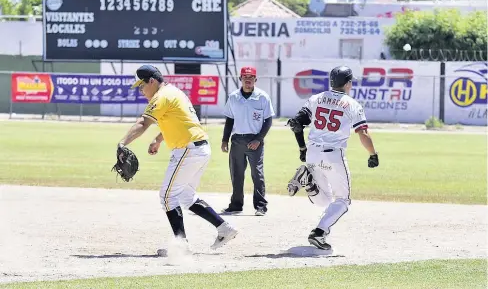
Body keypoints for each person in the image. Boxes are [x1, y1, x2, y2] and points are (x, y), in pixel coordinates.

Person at [117, 64, 238, 256]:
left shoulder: (161, 96)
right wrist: (158, 140)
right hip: (200, 148)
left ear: (152, 81)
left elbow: (143, 123)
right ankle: (224, 228)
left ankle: (181, 246)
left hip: (187, 150)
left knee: (167, 196)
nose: (141, 90)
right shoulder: (174, 92)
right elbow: (180, 121)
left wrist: (123, 143)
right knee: (186, 196)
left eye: (142, 85)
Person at [286, 65, 379, 250]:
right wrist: (373, 154)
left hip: (313, 153)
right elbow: (363, 134)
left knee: (325, 201)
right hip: (333, 155)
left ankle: (308, 181)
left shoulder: (316, 98)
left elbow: (297, 123)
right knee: (343, 201)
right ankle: (320, 232)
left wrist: (302, 147)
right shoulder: (352, 104)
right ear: (349, 83)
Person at [221, 66, 275, 216]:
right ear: (240, 79)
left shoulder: (262, 97)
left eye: (251, 78)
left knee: (257, 174)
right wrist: (225, 140)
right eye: (245, 77)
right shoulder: (233, 97)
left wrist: (258, 139)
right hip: (237, 140)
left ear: (255, 80)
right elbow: (229, 120)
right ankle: (236, 205)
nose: (248, 80)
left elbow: (268, 121)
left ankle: (260, 206)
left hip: (255, 140)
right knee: (236, 174)